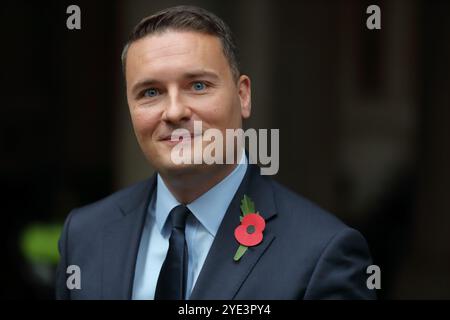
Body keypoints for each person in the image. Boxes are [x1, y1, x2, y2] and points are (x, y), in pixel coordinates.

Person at [55, 5, 376, 300]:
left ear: (243, 96)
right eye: (150, 92)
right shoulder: (84, 235)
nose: (175, 111)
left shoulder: (322, 253)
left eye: (197, 86)